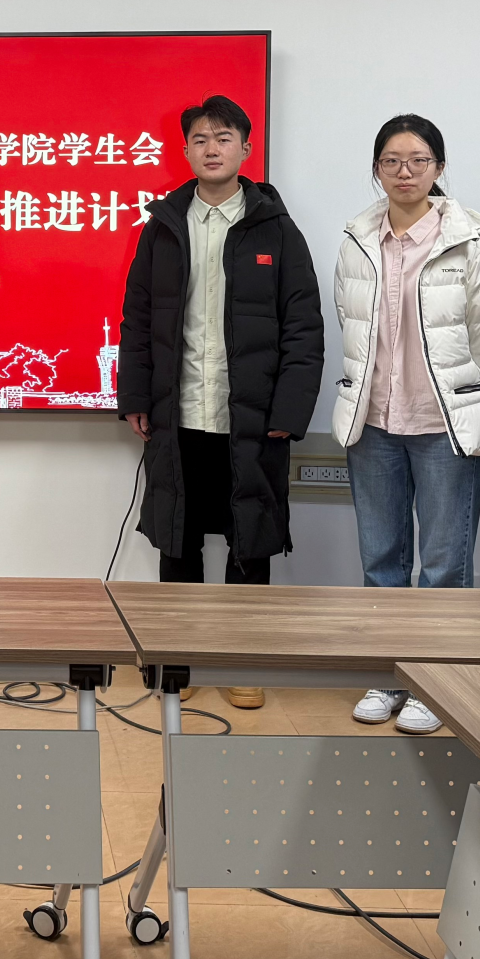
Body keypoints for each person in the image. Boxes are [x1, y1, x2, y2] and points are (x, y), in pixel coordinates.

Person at [118, 95, 324, 711]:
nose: (212, 148)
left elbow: (304, 329)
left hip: (250, 416)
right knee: (177, 539)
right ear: (185, 151)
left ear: (245, 149)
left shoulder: (277, 230)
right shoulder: (162, 228)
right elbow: (136, 321)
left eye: (224, 137)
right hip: (179, 411)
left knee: (249, 538)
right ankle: (174, 662)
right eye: (201, 139)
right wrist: (136, 396)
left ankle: (241, 661)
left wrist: (289, 413)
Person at [331, 113, 480, 734]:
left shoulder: (472, 243)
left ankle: (437, 684)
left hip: (443, 425)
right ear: (376, 169)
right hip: (374, 422)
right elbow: (352, 326)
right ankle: (386, 676)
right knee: (381, 561)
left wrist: (469, 403)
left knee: (443, 565)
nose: (404, 172)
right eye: (391, 161)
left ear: (439, 167)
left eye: (418, 160)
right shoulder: (358, 239)